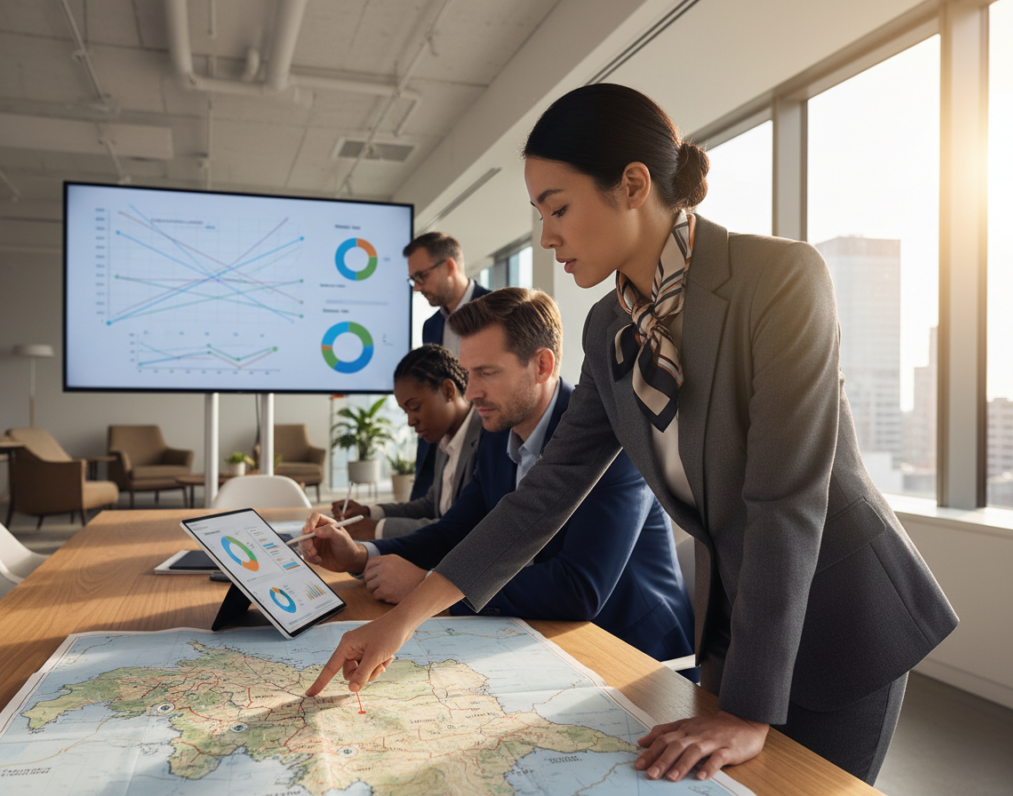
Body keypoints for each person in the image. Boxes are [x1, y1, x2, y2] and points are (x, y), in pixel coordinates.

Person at [305, 84, 959, 786]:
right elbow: (543, 497)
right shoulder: (610, 328)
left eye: (559, 208)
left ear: (633, 185)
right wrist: (404, 620)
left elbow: (785, 502)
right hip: (740, 621)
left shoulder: (779, 280)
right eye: (541, 214)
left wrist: (746, 709)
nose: (548, 235)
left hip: (842, 617)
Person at [303, 287, 695, 665]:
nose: (470, 393)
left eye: (486, 373)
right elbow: (456, 532)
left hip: (633, 654)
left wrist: (430, 588)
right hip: (539, 638)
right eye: (468, 374)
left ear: (542, 366)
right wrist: (362, 555)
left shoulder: (607, 438)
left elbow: (579, 588)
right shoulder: (497, 438)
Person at [332, 344, 483, 541]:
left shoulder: (484, 439)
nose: (410, 421)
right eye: (406, 411)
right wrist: (370, 512)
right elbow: (431, 506)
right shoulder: (446, 439)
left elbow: (462, 527)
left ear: (448, 391)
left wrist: (376, 529)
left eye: (415, 407)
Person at [405, 231, 490, 500]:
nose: (417, 287)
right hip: (437, 445)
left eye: (421, 276)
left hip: (483, 441)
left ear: (449, 266)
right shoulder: (430, 326)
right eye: (413, 280)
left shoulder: (496, 309)